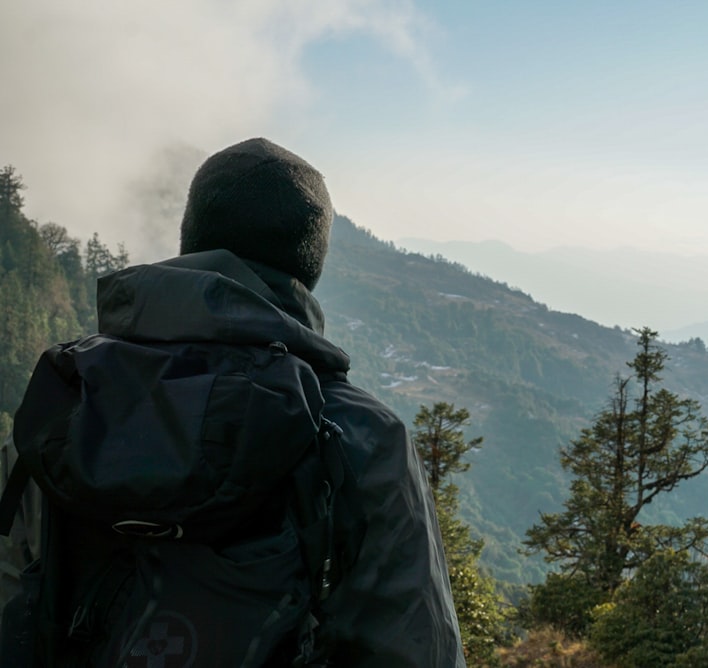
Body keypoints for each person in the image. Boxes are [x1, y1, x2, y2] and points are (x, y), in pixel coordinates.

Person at [1, 137, 466, 667]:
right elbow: (416, 651)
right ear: (310, 265)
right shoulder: (362, 437)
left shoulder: (72, 402)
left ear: (188, 236)